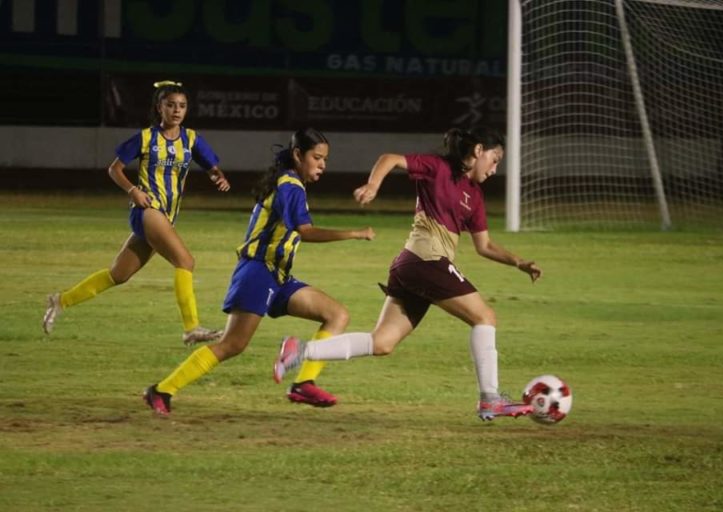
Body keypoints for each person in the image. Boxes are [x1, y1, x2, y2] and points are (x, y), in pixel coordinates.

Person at [273, 126, 543, 421]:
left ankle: (300, 350)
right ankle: (490, 399)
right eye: (495, 159)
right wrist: (373, 185)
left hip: (412, 266)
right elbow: (390, 158)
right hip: (426, 261)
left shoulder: (474, 195)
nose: (494, 169)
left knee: (382, 343)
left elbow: (485, 245)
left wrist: (518, 262)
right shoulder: (438, 167)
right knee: (485, 317)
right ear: (478, 151)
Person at [143, 128, 375, 416]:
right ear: (298, 155)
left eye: (325, 159)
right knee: (232, 345)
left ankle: (303, 383)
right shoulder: (290, 186)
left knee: (336, 314)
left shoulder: (292, 184)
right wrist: (353, 233)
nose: (322, 165)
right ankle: (162, 390)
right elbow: (305, 231)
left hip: (277, 276)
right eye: (317, 158)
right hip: (257, 273)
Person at [42, 81, 230, 345]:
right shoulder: (145, 138)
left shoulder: (191, 139)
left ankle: (60, 301)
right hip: (148, 210)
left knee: (118, 275)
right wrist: (133, 191)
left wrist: (217, 177)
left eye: (182, 106)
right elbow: (114, 169)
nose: (177, 110)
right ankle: (191, 328)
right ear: (159, 108)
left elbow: (212, 167)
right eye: (171, 105)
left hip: (166, 216)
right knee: (185, 262)